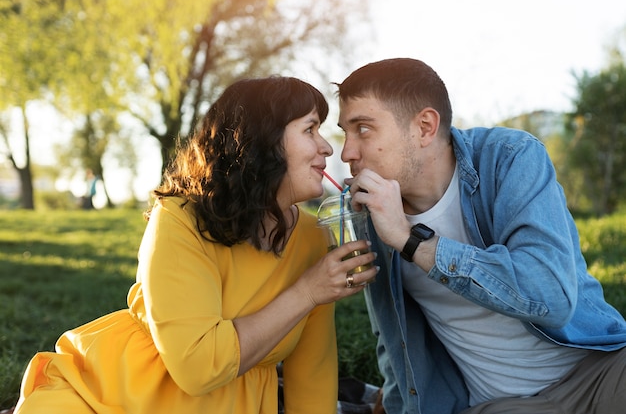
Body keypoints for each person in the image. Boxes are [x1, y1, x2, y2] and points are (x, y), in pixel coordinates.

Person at [14, 76, 378, 414]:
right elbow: (197, 368)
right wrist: (308, 291)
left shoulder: (315, 236)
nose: (327, 147)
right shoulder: (178, 218)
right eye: (310, 129)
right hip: (112, 397)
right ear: (263, 142)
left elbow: (311, 372)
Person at [335, 58, 626, 414]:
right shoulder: (370, 211)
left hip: (598, 371)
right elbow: (393, 340)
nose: (347, 152)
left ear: (425, 127)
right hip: (503, 405)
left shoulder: (509, 158)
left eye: (363, 129)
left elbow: (551, 295)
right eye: (345, 133)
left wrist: (411, 240)